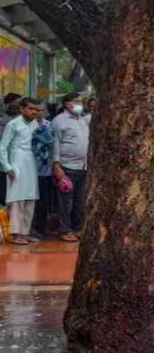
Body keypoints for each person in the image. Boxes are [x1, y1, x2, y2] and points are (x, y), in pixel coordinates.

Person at [0, 98, 42, 245]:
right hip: (16, 164)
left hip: (31, 164)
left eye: (36, 110)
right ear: (22, 109)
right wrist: (7, 167)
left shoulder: (35, 124)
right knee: (17, 200)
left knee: (30, 199)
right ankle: (15, 234)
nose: (34, 112)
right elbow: (2, 147)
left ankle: (25, 232)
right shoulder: (13, 124)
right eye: (31, 109)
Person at [52, 93, 90, 242]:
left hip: (83, 166)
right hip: (66, 167)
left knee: (79, 201)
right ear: (68, 104)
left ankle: (76, 228)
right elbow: (54, 144)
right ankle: (64, 230)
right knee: (65, 202)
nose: (81, 104)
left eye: (81, 101)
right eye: (77, 101)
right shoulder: (59, 121)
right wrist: (56, 165)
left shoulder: (82, 120)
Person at [31, 103, 56, 239]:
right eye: (37, 110)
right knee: (32, 201)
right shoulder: (29, 125)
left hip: (46, 169)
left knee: (44, 202)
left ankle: (42, 229)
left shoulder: (49, 124)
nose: (40, 112)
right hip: (32, 168)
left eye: (42, 110)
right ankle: (32, 228)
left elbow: (53, 144)